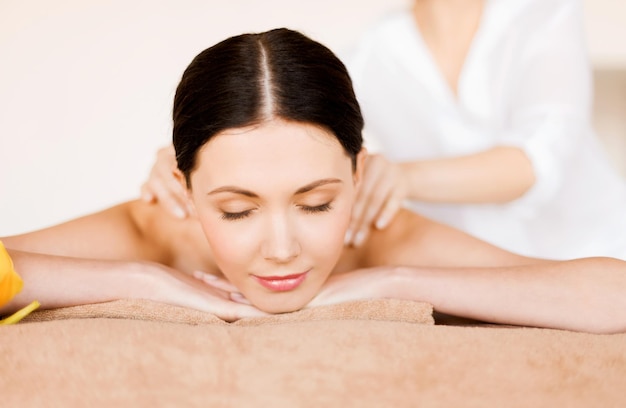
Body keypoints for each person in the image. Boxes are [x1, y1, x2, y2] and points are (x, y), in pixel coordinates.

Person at [1, 28, 625, 333]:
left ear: (358, 176)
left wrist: (389, 281)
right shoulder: (156, 231)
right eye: (238, 210)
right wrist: (142, 279)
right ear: (183, 188)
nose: (280, 248)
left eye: (318, 203)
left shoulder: (381, 235)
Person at [142, 0, 626, 260]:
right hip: (470, 270)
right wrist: (185, 155)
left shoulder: (543, 13)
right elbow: (292, 109)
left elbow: (539, 163)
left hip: (594, 252)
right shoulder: (376, 51)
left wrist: (405, 178)